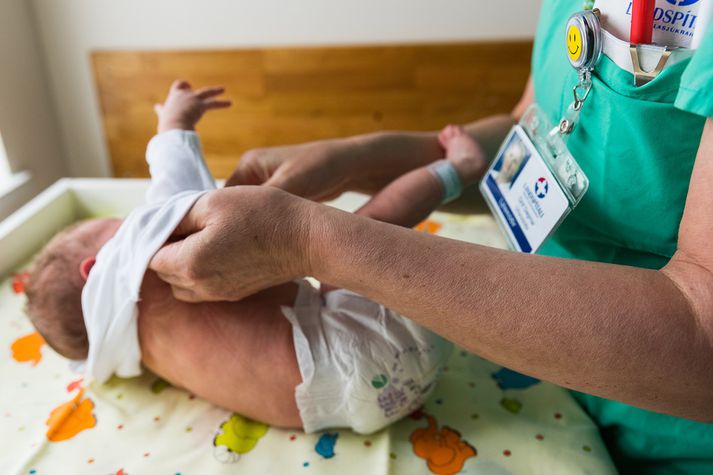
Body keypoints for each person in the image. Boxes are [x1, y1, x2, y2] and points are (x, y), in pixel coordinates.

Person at [147, 2, 713, 473]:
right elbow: (540, 138)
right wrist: (357, 159)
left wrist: (307, 240)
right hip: (546, 391)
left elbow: (702, 325)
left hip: (669, 438)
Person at [24, 80, 489, 434]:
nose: (133, 223)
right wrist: (174, 126)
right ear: (95, 268)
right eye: (115, 226)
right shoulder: (132, 269)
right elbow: (176, 185)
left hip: (359, 408)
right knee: (368, 226)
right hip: (360, 346)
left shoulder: (139, 354)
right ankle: (457, 170)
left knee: (328, 281)